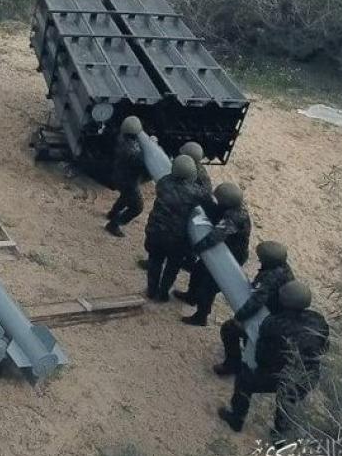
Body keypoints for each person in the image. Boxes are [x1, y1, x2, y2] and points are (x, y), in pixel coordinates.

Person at [217, 281, 329, 441]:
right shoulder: (318, 320)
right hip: (308, 376)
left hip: (282, 374)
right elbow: (324, 348)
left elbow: (262, 355)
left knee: (244, 380)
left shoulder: (273, 324)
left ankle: (236, 419)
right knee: (288, 402)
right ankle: (280, 437)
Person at [174, 183, 252, 326]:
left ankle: (201, 316)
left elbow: (215, 236)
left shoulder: (234, 218)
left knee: (208, 287)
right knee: (198, 271)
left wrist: (196, 248)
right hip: (222, 249)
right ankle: (191, 296)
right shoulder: (232, 207)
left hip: (230, 257)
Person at [213, 241, 294, 375]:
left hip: (268, 318)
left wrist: (239, 316)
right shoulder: (283, 269)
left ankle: (232, 364)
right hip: (277, 317)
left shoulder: (271, 277)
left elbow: (257, 301)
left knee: (230, 329)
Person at [143, 155, 211, 302]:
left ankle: (151, 290)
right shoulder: (193, 193)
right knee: (172, 267)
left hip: (155, 230)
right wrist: (199, 168)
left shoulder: (164, 182)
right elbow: (207, 194)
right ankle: (163, 293)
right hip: (176, 238)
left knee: (154, 262)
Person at [105, 117, 148, 237]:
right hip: (129, 181)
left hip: (119, 176)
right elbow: (142, 163)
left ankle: (113, 213)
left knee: (125, 196)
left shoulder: (121, 138)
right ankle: (114, 224)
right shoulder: (132, 150)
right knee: (137, 207)